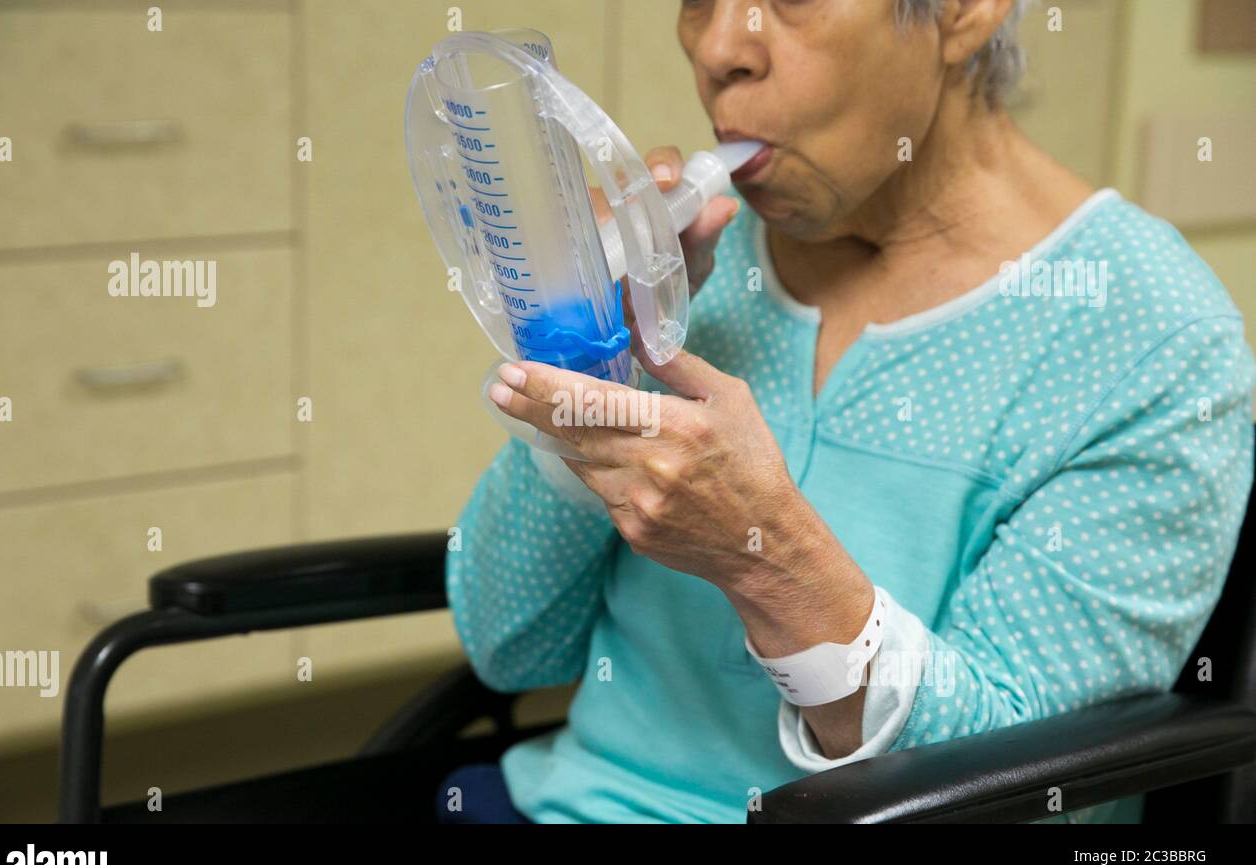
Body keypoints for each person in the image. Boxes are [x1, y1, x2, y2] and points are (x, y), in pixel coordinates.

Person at [440, 0, 1256, 823]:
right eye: (697, 2)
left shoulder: (1151, 340)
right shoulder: (692, 279)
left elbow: (1027, 794)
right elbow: (509, 646)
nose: (719, 48)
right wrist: (595, 360)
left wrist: (768, 564)